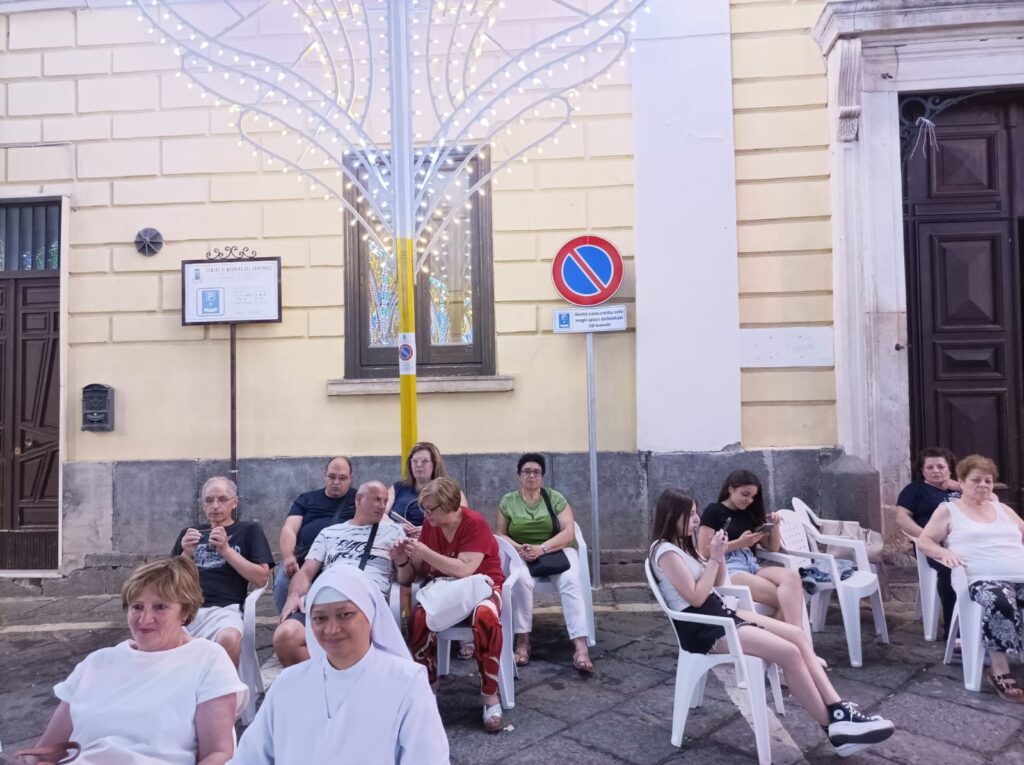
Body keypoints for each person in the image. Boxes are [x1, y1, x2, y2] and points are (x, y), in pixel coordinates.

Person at [650, 488, 895, 757]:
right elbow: (696, 598)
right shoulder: (665, 552)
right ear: (672, 516)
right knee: (788, 653)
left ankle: (839, 710)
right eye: (691, 515)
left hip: (720, 613)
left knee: (796, 636)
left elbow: (719, 584)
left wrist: (716, 554)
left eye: (696, 514)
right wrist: (717, 557)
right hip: (705, 627)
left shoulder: (683, 546)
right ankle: (833, 727)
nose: (696, 521)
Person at [30, 557, 247, 765]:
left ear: (186, 611)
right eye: (137, 606)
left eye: (160, 607)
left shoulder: (206, 659)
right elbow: (46, 751)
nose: (144, 619)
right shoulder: (97, 662)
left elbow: (218, 754)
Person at [230, 566, 449, 764]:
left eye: (345, 615)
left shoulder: (407, 682)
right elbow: (250, 757)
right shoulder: (288, 683)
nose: (332, 629)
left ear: (370, 612)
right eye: (319, 618)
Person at [394, 477, 507, 733]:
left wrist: (424, 552)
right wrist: (404, 560)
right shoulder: (430, 524)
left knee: (485, 617)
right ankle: (428, 690)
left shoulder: (474, 522)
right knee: (418, 618)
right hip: (444, 588)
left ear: (449, 506)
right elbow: (420, 573)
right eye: (425, 509)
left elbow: (466, 569)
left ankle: (490, 695)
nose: (426, 514)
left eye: (431, 509)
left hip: (483, 586)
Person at [916, 454, 1024, 703]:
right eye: (976, 480)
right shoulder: (949, 510)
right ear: (961, 482)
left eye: (988, 481)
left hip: (1018, 573)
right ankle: (998, 669)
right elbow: (924, 541)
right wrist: (944, 552)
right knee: (1000, 601)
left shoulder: (1003, 509)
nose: (983, 485)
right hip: (980, 578)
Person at [274, 481, 406, 666]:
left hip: (364, 598)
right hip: (326, 594)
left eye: (385, 501)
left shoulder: (393, 531)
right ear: (359, 499)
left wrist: (403, 561)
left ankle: (341, 683)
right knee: (285, 636)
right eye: (376, 500)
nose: (382, 506)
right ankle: (322, 686)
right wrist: (294, 595)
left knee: (343, 642)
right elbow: (305, 572)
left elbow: (406, 579)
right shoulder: (329, 533)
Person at [496, 452, 593, 673]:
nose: (531, 476)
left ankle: (580, 647)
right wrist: (519, 548)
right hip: (522, 552)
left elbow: (569, 532)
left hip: (555, 550)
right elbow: (500, 534)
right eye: (526, 472)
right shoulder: (508, 501)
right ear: (519, 476)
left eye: (536, 472)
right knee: (520, 581)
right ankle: (523, 642)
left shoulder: (555, 498)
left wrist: (542, 548)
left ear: (542, 476)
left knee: (570, 582)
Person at [171, 476, 274, 666]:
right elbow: (169, 582)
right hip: (185, 609)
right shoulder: (190, 533)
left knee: (229, 638)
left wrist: (226, 550)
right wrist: (185, 554)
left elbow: (261, 578)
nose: (215, 506)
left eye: (222, 499)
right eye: (209, 500)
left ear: (234, 502)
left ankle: (224, 690)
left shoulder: (248, 530)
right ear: (203, 506)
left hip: (226, 609)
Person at [698, 469, 806, 632]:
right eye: (745, 494)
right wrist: (740, 543)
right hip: (729, 569)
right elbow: (704, 551)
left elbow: (773, 547)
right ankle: (790, 640)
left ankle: (782, 642)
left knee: (792, 578)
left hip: (751, 565)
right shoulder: (713, 511)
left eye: (753, 497)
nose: (749, 500)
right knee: (790, 599)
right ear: (731, 489)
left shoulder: (749, 514)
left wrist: (774, 526)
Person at [893, 447, 961, 638]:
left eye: (940, 466)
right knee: (951, 570)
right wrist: (926, 537)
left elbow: (990, 503)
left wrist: (960, 487)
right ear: (922, 471)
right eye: (929, 467)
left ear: (949, 468)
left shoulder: (961, 490)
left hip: (966, 543)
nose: (936, 470)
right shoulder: (915, 490)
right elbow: (901, 517)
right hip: (935, 547)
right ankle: (955, 632)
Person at [274, 457, 357, 613]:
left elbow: (381, 519)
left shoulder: (360, 499)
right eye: (332, 477)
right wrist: (288, 557)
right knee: (283, 581)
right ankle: (287, 622)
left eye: (342, 478)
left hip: (342, 561)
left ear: (350, 478)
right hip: (304, 559)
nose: (336, 482)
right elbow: (289, 528)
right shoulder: (306, 499)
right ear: (324, 475)